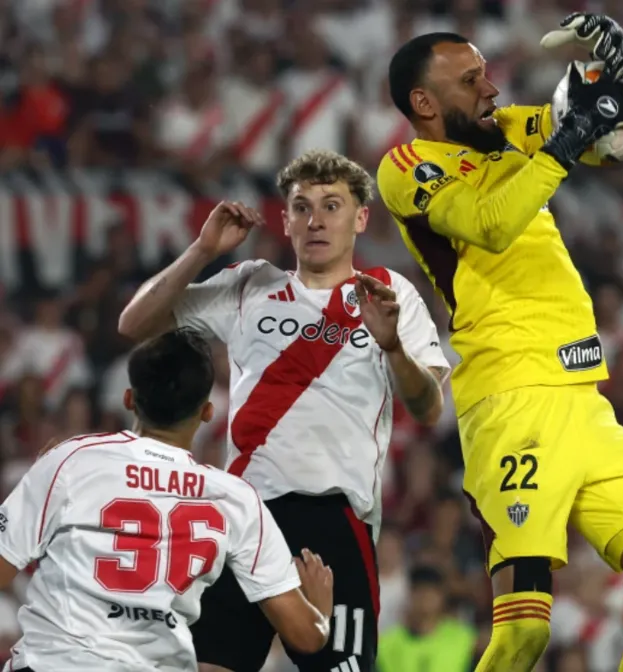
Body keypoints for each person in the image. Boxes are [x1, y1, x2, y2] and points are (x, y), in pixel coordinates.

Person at [376, 17, 623, 672]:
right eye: (471, 81)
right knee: (524, 635)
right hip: (509, 401)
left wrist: (620, 73)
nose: (491, 89)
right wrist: (564, 143)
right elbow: (490, 224)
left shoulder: (502, 135)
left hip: (584, 400)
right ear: (424, 102)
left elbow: (612, 136)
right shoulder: (407, 166)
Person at [118, 150, 451, 672]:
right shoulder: (251, 284)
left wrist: (392, 348)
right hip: (245, 516)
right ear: (285, 219)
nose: (316, 220)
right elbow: (134, 324)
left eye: (332, 205)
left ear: (361, 217)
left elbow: (428, 408)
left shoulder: (388, 292)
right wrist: (203, 249)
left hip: (334, 518)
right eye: (302, 207)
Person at [0, 328, 333, 672]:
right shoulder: (237, 498)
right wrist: (320, 613)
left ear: (129, 399)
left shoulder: (71, 460)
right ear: (207, 411)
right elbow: (306, 636)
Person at [376, 566, 476, 672]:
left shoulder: (463, 639)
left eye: (430, 592)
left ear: (442, 597)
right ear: (410, 595)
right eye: (419, 591)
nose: (424, 597)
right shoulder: (386, 645)